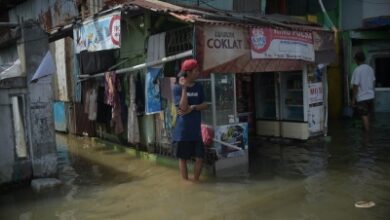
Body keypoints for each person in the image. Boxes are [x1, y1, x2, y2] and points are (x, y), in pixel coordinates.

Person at [172, 58, 208, 181]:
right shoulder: (177, 88)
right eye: (196, 70)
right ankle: (186, 184)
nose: (198, 72)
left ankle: (196, 182)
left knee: (200, 158)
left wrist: (193, 107)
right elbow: (182, 107)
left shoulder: (199, 86)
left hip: (196, 131)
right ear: (188, 72)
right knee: (183, 159)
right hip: (182, 132)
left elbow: (205, 104)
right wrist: (184, 88)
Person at [350, 51, 375, 131]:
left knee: (364, 116)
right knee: (367, 115)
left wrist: (353, 100)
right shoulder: (370, 69)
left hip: (362, 98)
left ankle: (367, 137)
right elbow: (373, 82)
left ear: (357, 60)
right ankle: (367, 132)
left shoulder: (357, 70)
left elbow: (355, 86)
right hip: (371, 96)